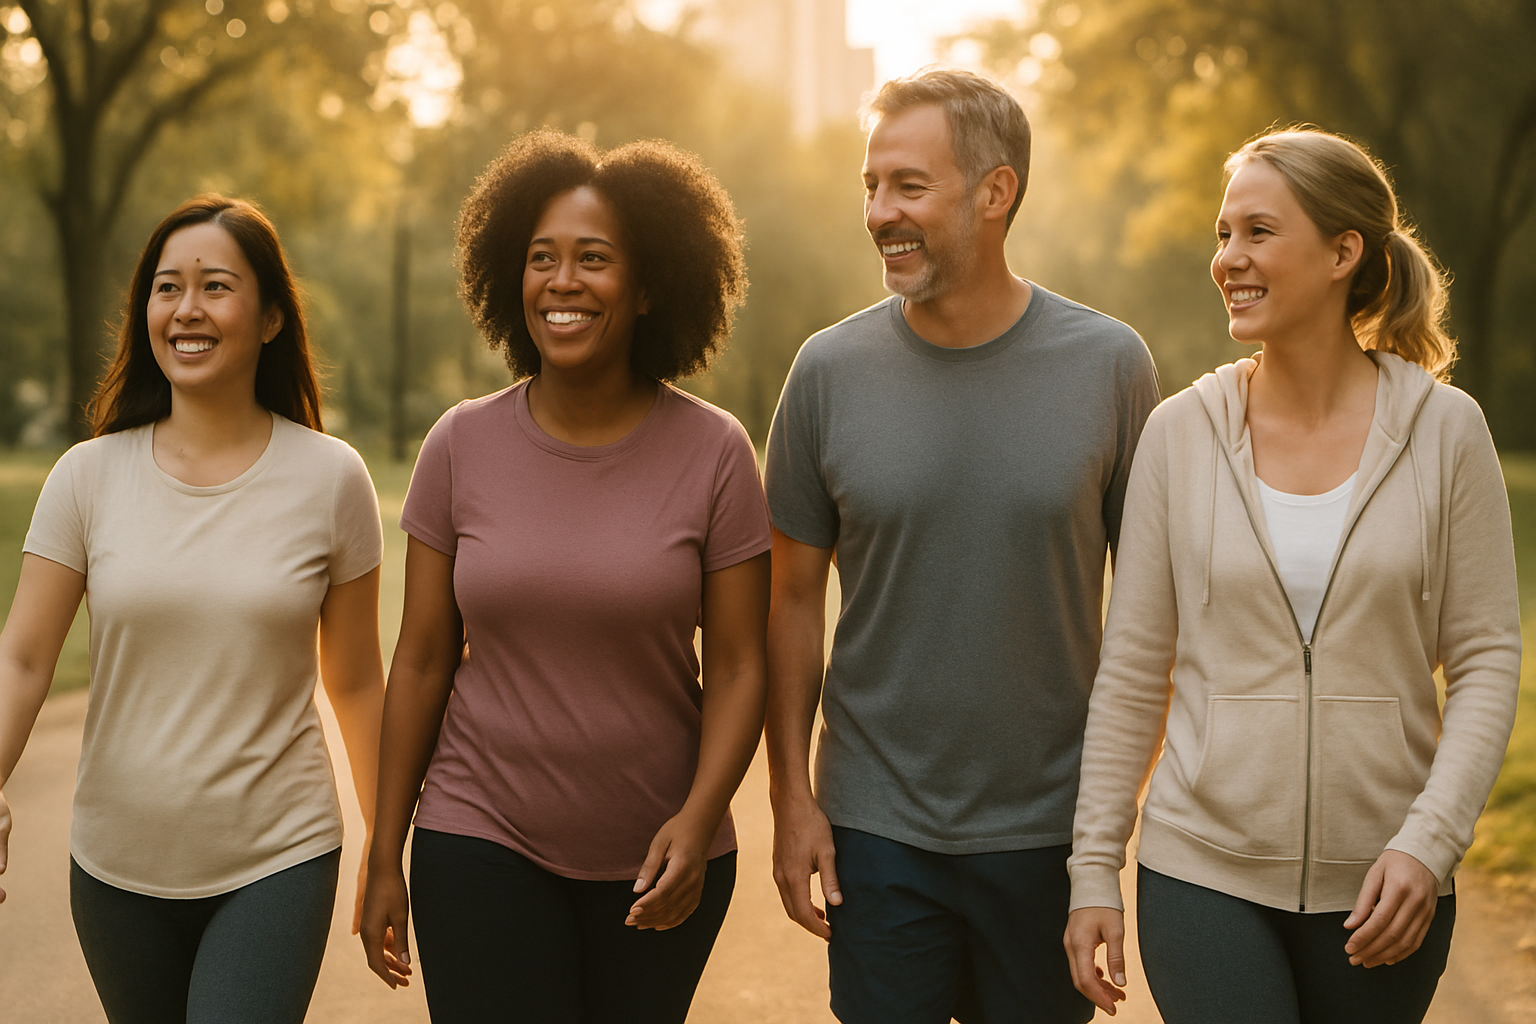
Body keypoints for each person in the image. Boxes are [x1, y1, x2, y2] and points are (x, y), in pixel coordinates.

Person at [1064, 127, 1521, 1024]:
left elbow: (1486, 659)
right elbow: (1132, 671)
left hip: (1387, 885)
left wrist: (1429, 846)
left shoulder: (1446, 432)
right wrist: (1093, 869)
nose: (1228, 258)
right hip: (1202, 869)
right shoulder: (1180, 434)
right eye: (1223, 234)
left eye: (1258, 233)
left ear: (1344, 252)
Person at [764, 68, 1160, 1024]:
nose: (878, 212)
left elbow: (1155, 613)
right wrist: (791, 801)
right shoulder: (825, 372)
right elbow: (788, 601)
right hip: (877, 829)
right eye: (871, 185)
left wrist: (1104, 834)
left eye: (909, 185)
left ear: (995, 192)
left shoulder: (1111, 367)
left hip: (1045, 835)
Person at [359, 129, 771, 1023]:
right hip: (479, 831)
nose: (562, 282)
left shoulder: (716, 452)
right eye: (541, 258)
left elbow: (741, 665)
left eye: (595, 259)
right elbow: (423, 661)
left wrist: (701, 820)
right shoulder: (460, 444)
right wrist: (385, 848)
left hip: (659, 853)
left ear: (650, 283)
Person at [0, 195, 386, 1023]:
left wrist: (387, 848)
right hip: (113, 865)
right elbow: (24, 659)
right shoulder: (87, 477)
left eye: (216, 286)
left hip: (277, 856)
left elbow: (353, 682)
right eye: (167, 287)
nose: (187, 309)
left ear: (272, 316)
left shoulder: (331, 478)